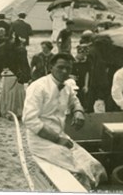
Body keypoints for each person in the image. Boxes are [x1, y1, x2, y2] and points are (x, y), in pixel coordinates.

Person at [23, 53, 107, 189]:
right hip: (41, 142)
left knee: (95, 167)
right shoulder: (38, 87)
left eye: (68, 68)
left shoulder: (67, 86)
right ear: (51, 67)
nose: (64, 71)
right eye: (60, 67)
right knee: (80, 173)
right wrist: (57, 139)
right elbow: (29, 120)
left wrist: (78, 112)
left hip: (62, 137)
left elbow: (74, 101)